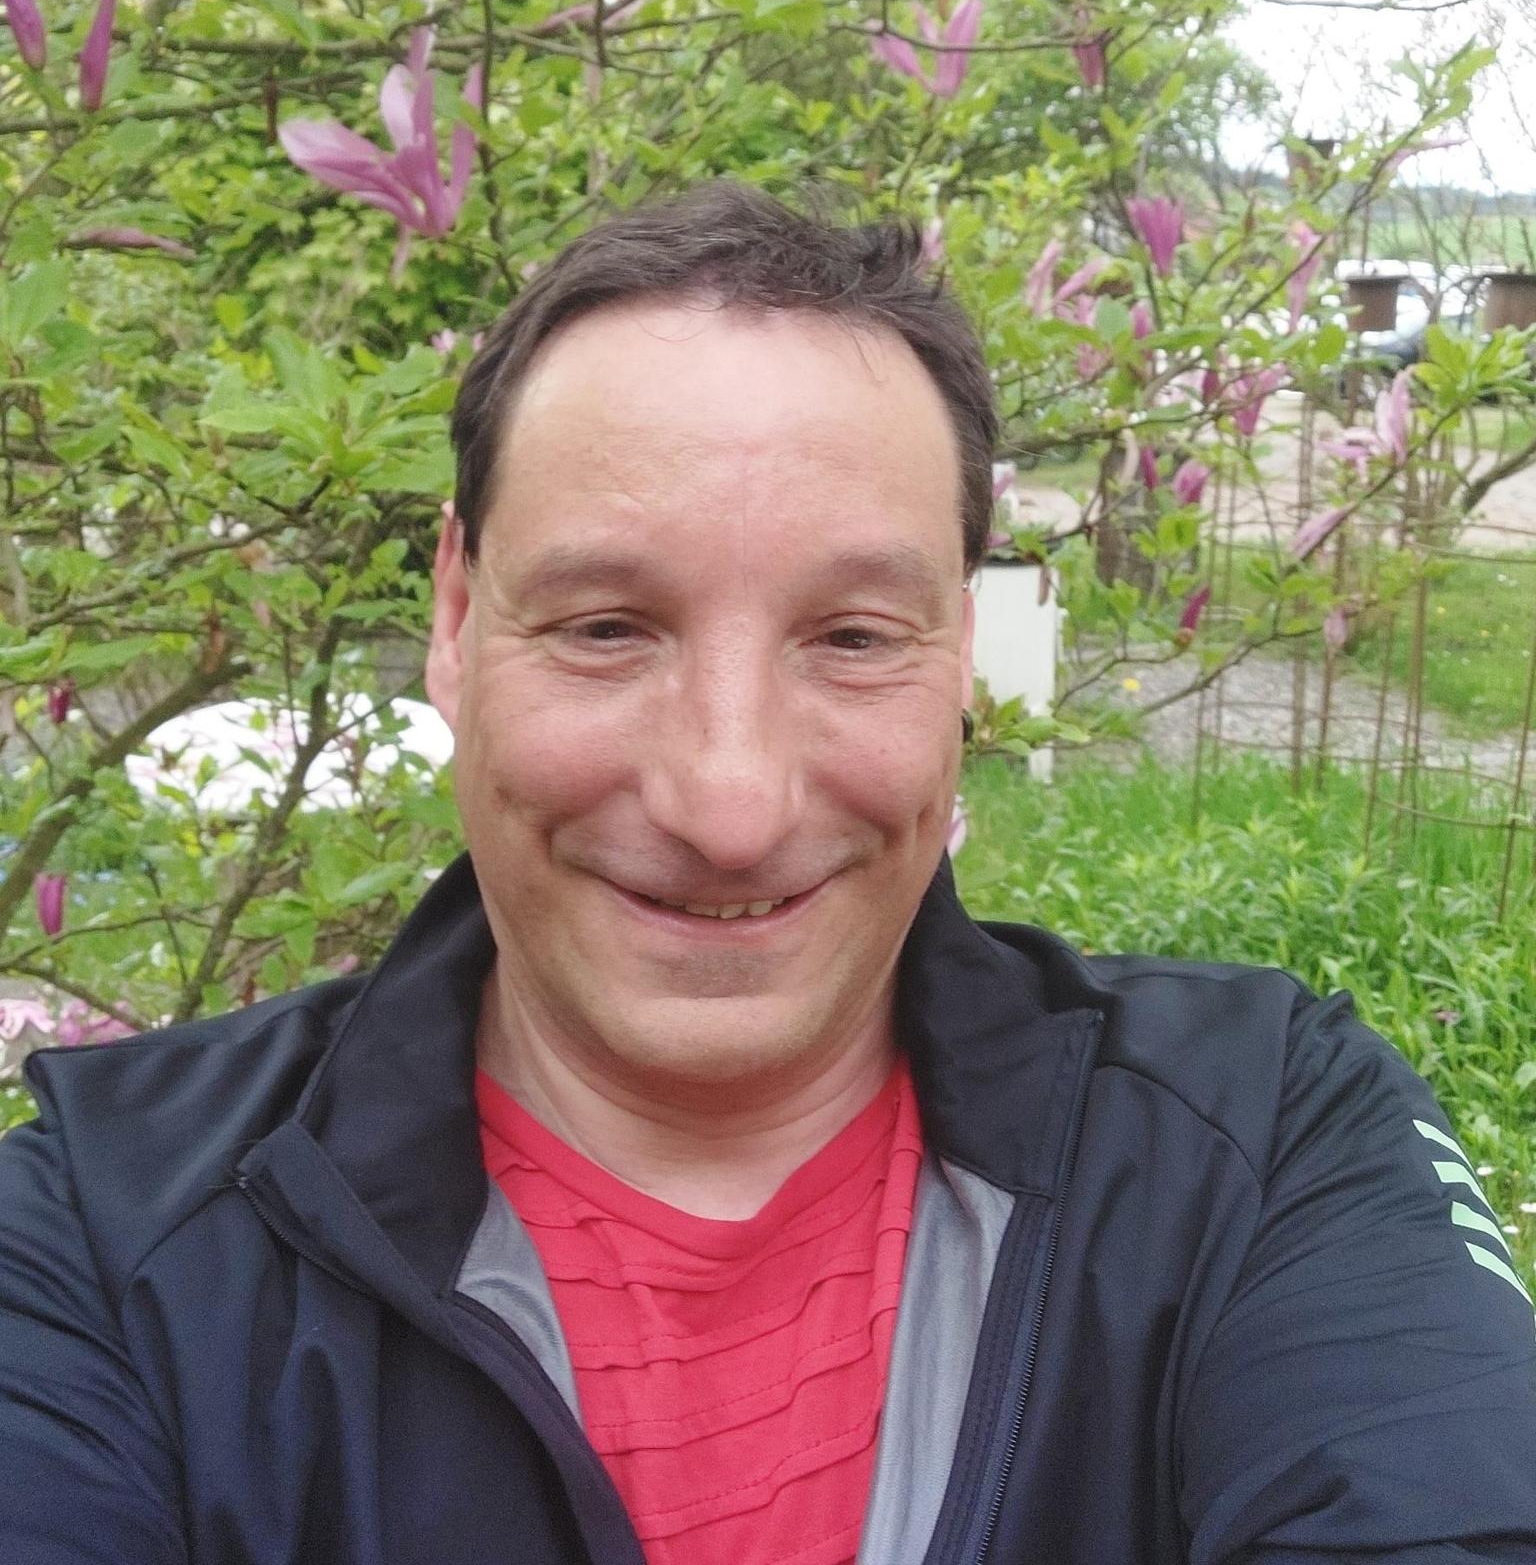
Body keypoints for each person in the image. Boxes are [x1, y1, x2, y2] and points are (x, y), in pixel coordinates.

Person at [1, 181, 1534, 1565]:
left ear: (965, 651)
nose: (729, 806)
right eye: (607, 628)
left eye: (853, 637)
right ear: (456, 621)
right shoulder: (91, 1237)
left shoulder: (1270, 1138)